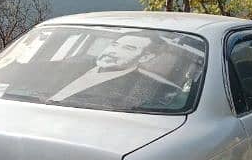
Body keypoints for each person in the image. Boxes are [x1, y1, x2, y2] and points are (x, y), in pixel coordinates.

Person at [48, 31, 179, 109]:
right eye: (114, 45)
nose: (113, 52)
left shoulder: (145, 90)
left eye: (128, 48)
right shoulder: (71, 65)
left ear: (145, 56)